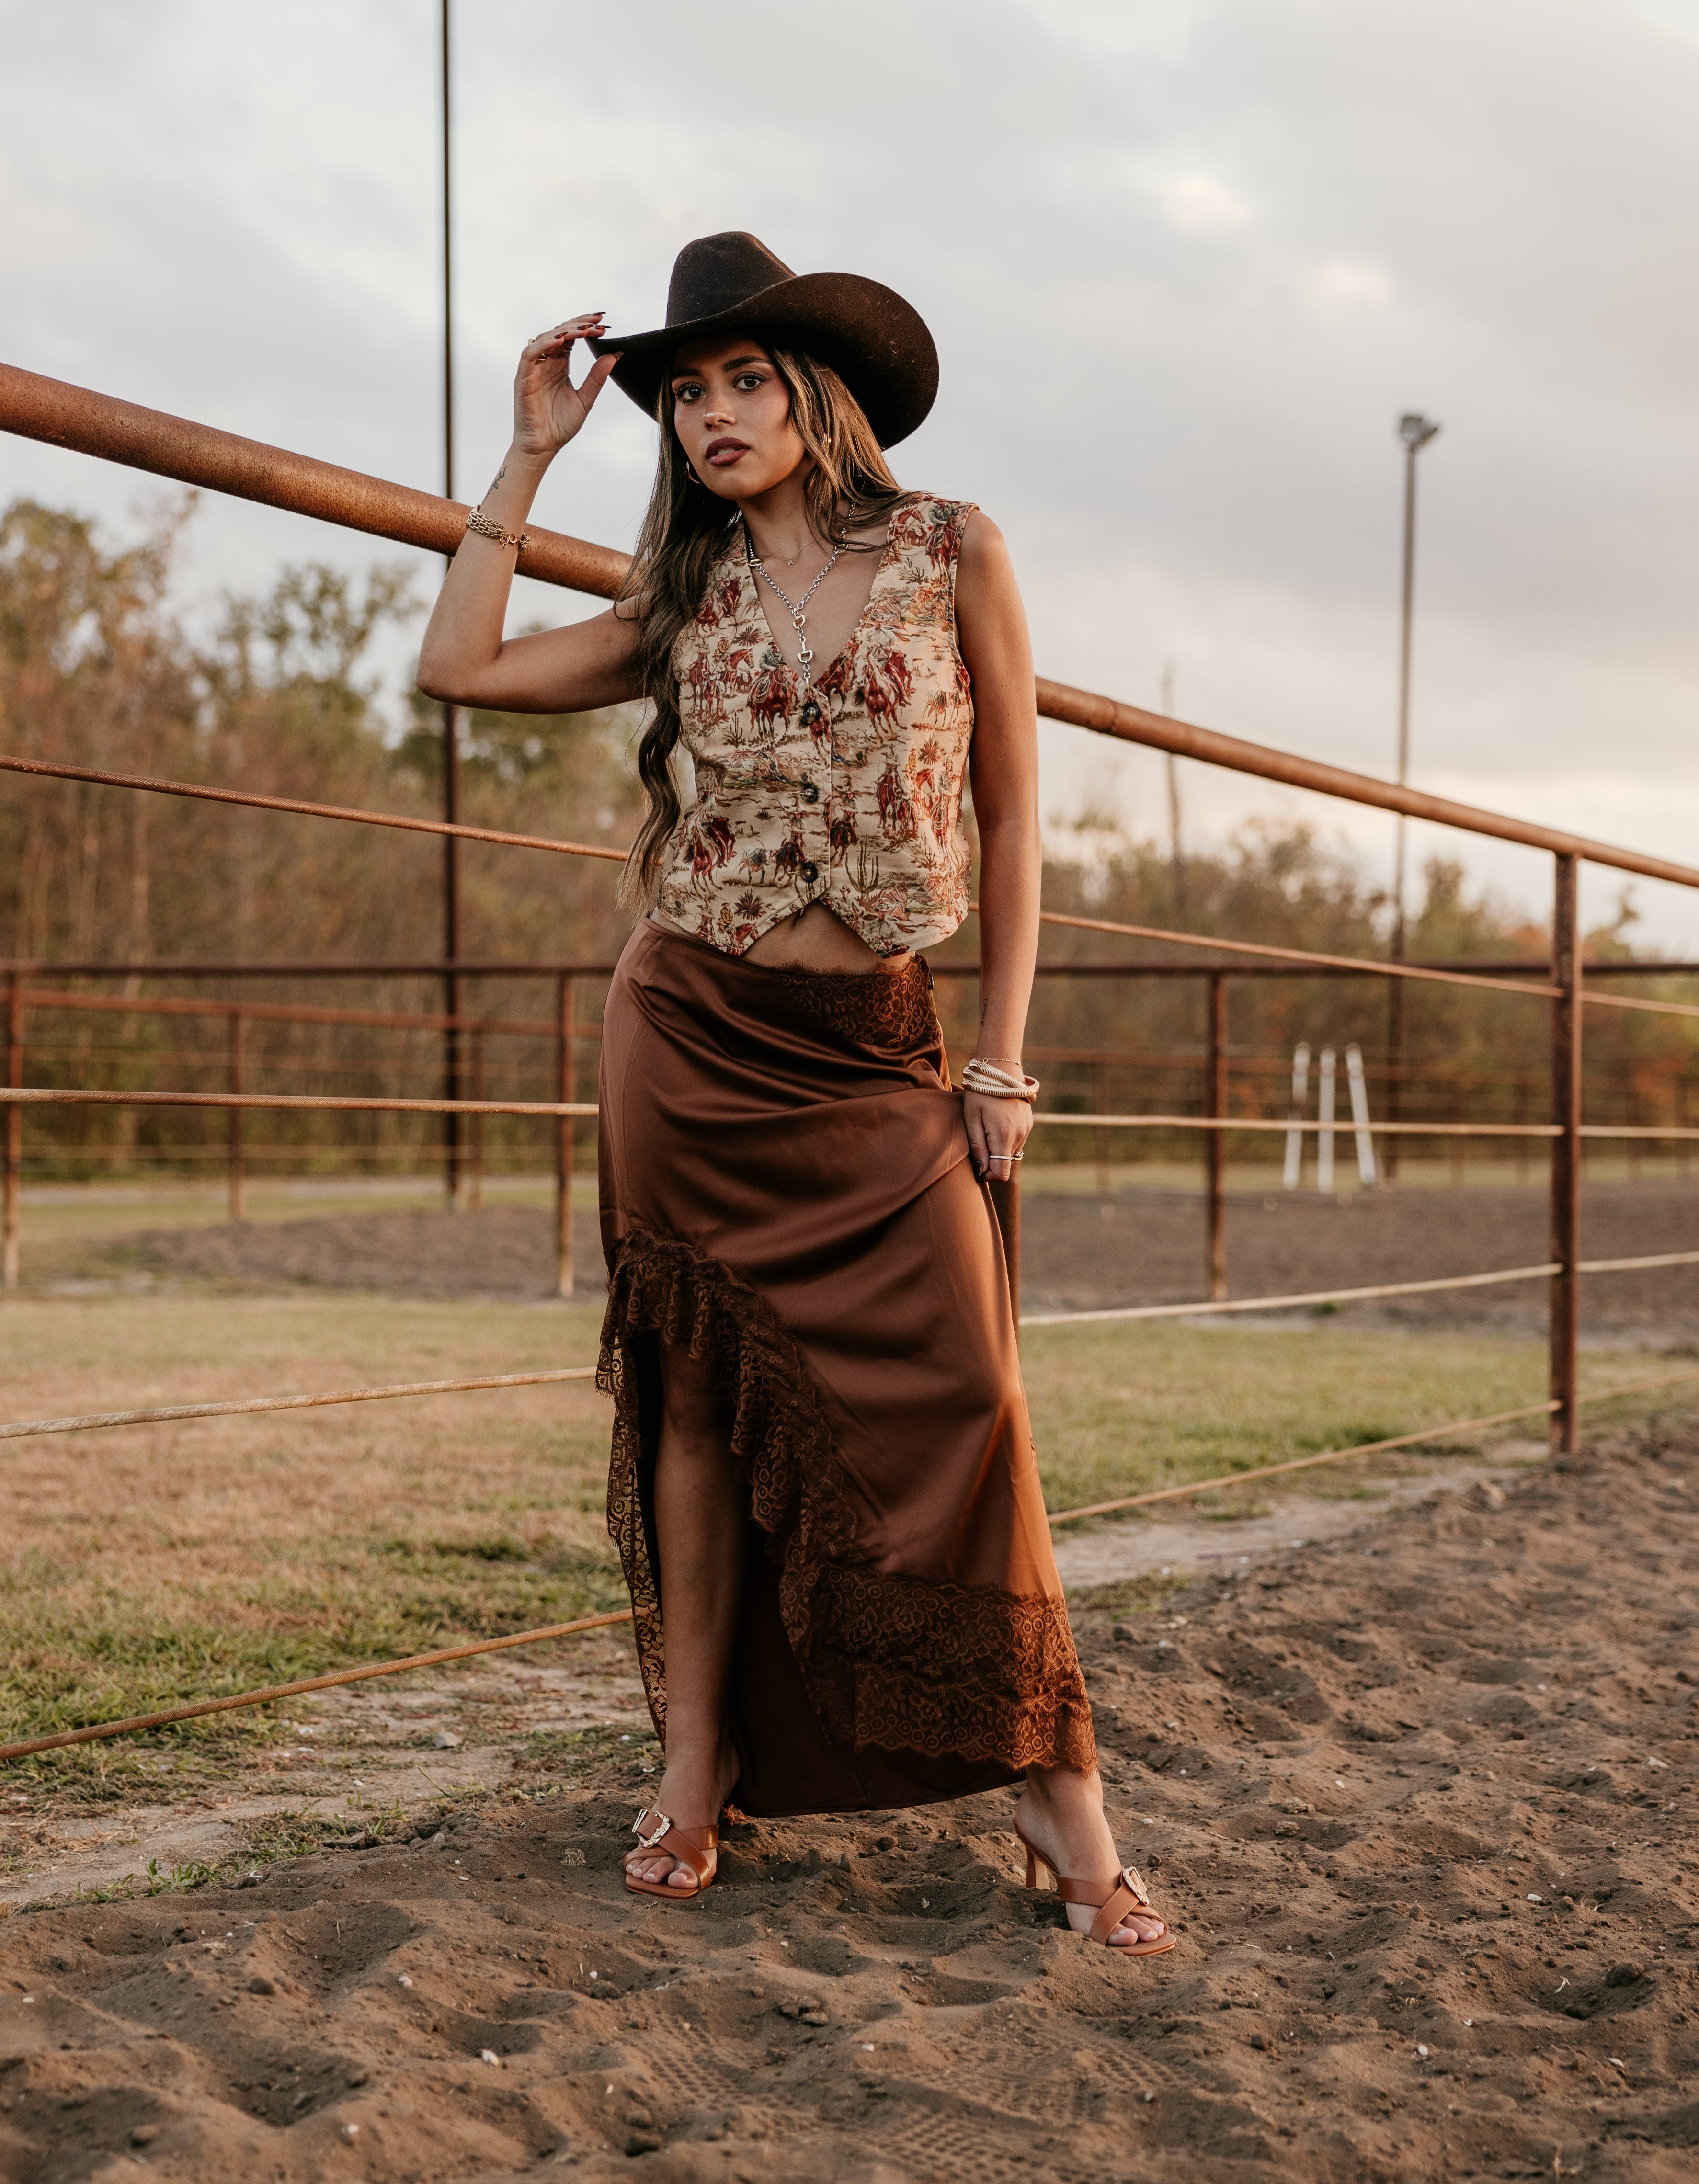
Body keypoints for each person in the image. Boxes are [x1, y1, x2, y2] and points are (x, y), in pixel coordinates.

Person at [417, 232, 1173, 1955]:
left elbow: (1012, 817)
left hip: (876, 1048)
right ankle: (694, 1764)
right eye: (685, 394)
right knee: (694, 1397)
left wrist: (1001, 1059)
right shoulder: (678, 598)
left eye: (744, 380)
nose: (712, 416)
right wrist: (528, 454)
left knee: (974, 1390)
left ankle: (1059, 1793)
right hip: (690, 1033)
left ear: (817, 394)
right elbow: (459, 667)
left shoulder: (954, 548)